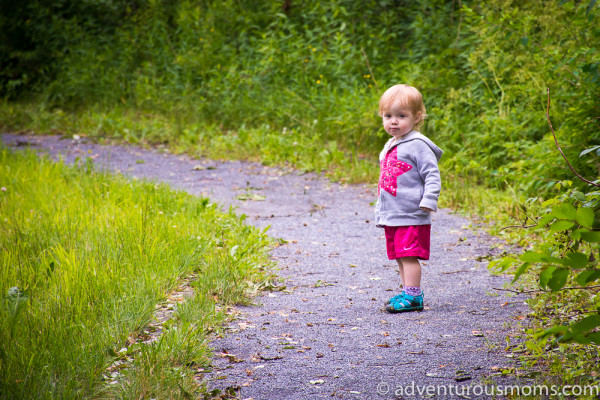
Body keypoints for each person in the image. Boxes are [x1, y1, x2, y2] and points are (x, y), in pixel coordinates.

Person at [374, 84, 442, 313]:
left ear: (417, 117)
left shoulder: (418, 145)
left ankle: (414, 296)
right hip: (394, 212)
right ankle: (406, 292)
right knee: (400, 256)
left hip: (412, 212)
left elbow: (432, 174)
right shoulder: (391, 144)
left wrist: (429, 200)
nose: (393, 121)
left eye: (401, 116)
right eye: (388, 116)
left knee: (409, 255)